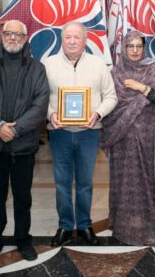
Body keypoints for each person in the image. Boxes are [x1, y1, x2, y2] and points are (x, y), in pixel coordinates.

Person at [0, 20, 49, 264]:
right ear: (2, 37)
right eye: (9, 33)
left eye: (18, 34)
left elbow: (40, 105)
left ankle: (23, 239)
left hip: (22, 146)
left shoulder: (37, 69)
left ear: (25, 39)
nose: (13, 37)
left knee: (23, 197)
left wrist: (15, 130)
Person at [44, 21, 117, 247]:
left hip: (88, 133)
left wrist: (97, 113)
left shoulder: (98, 65)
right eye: (68, 37)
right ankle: (65, 226)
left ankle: (84, 225)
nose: (72, 41)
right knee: (62, 183)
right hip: (59, 133)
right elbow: (39, 98)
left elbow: (111, 97)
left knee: (85, 183)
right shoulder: (47, 64)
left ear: (85, 40)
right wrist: (50, 114)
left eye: (77, 37)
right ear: (62, 39)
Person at [100, 31, 155, 245]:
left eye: (138, 46)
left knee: (149, 186)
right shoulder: (115, 73)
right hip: (122, 142)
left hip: (150, 141)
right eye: (130, 46)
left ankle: (149, 226)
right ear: (124, 48)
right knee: (124, 184)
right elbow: (109, 104)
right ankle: (124, 227)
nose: (134, 50)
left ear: (144, 48)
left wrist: (143, 88)